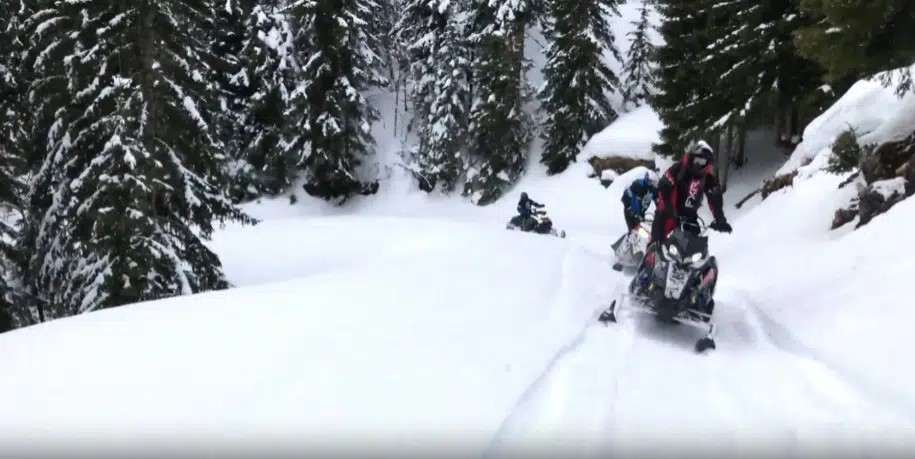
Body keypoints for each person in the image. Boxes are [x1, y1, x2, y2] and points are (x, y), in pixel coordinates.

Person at [644, 140, 732, 269]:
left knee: (693, 252)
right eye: (697, 160)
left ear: (707, 164)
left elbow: (715, 198)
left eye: (702, 162)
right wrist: (667, 205)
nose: (698, 165)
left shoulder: (707, 178)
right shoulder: (678, 169)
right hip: (667, 214)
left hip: (689, 218)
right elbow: (663, 185)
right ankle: (646, 272)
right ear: (691, 157)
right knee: (656, 246)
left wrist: (720, 219)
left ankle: (685, 280)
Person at [611, 171, 658, 271]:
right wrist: (629, 209)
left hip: (640, 214)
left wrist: (661, 211)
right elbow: (625, 197)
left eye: (653, 183)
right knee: (632, 234)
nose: (652, 184)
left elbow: (659, 201)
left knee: (646, 235)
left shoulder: (653, 190)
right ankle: (618, 259)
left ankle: (639, 257)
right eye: (650, 182)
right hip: (630, 212)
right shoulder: (637, 185)